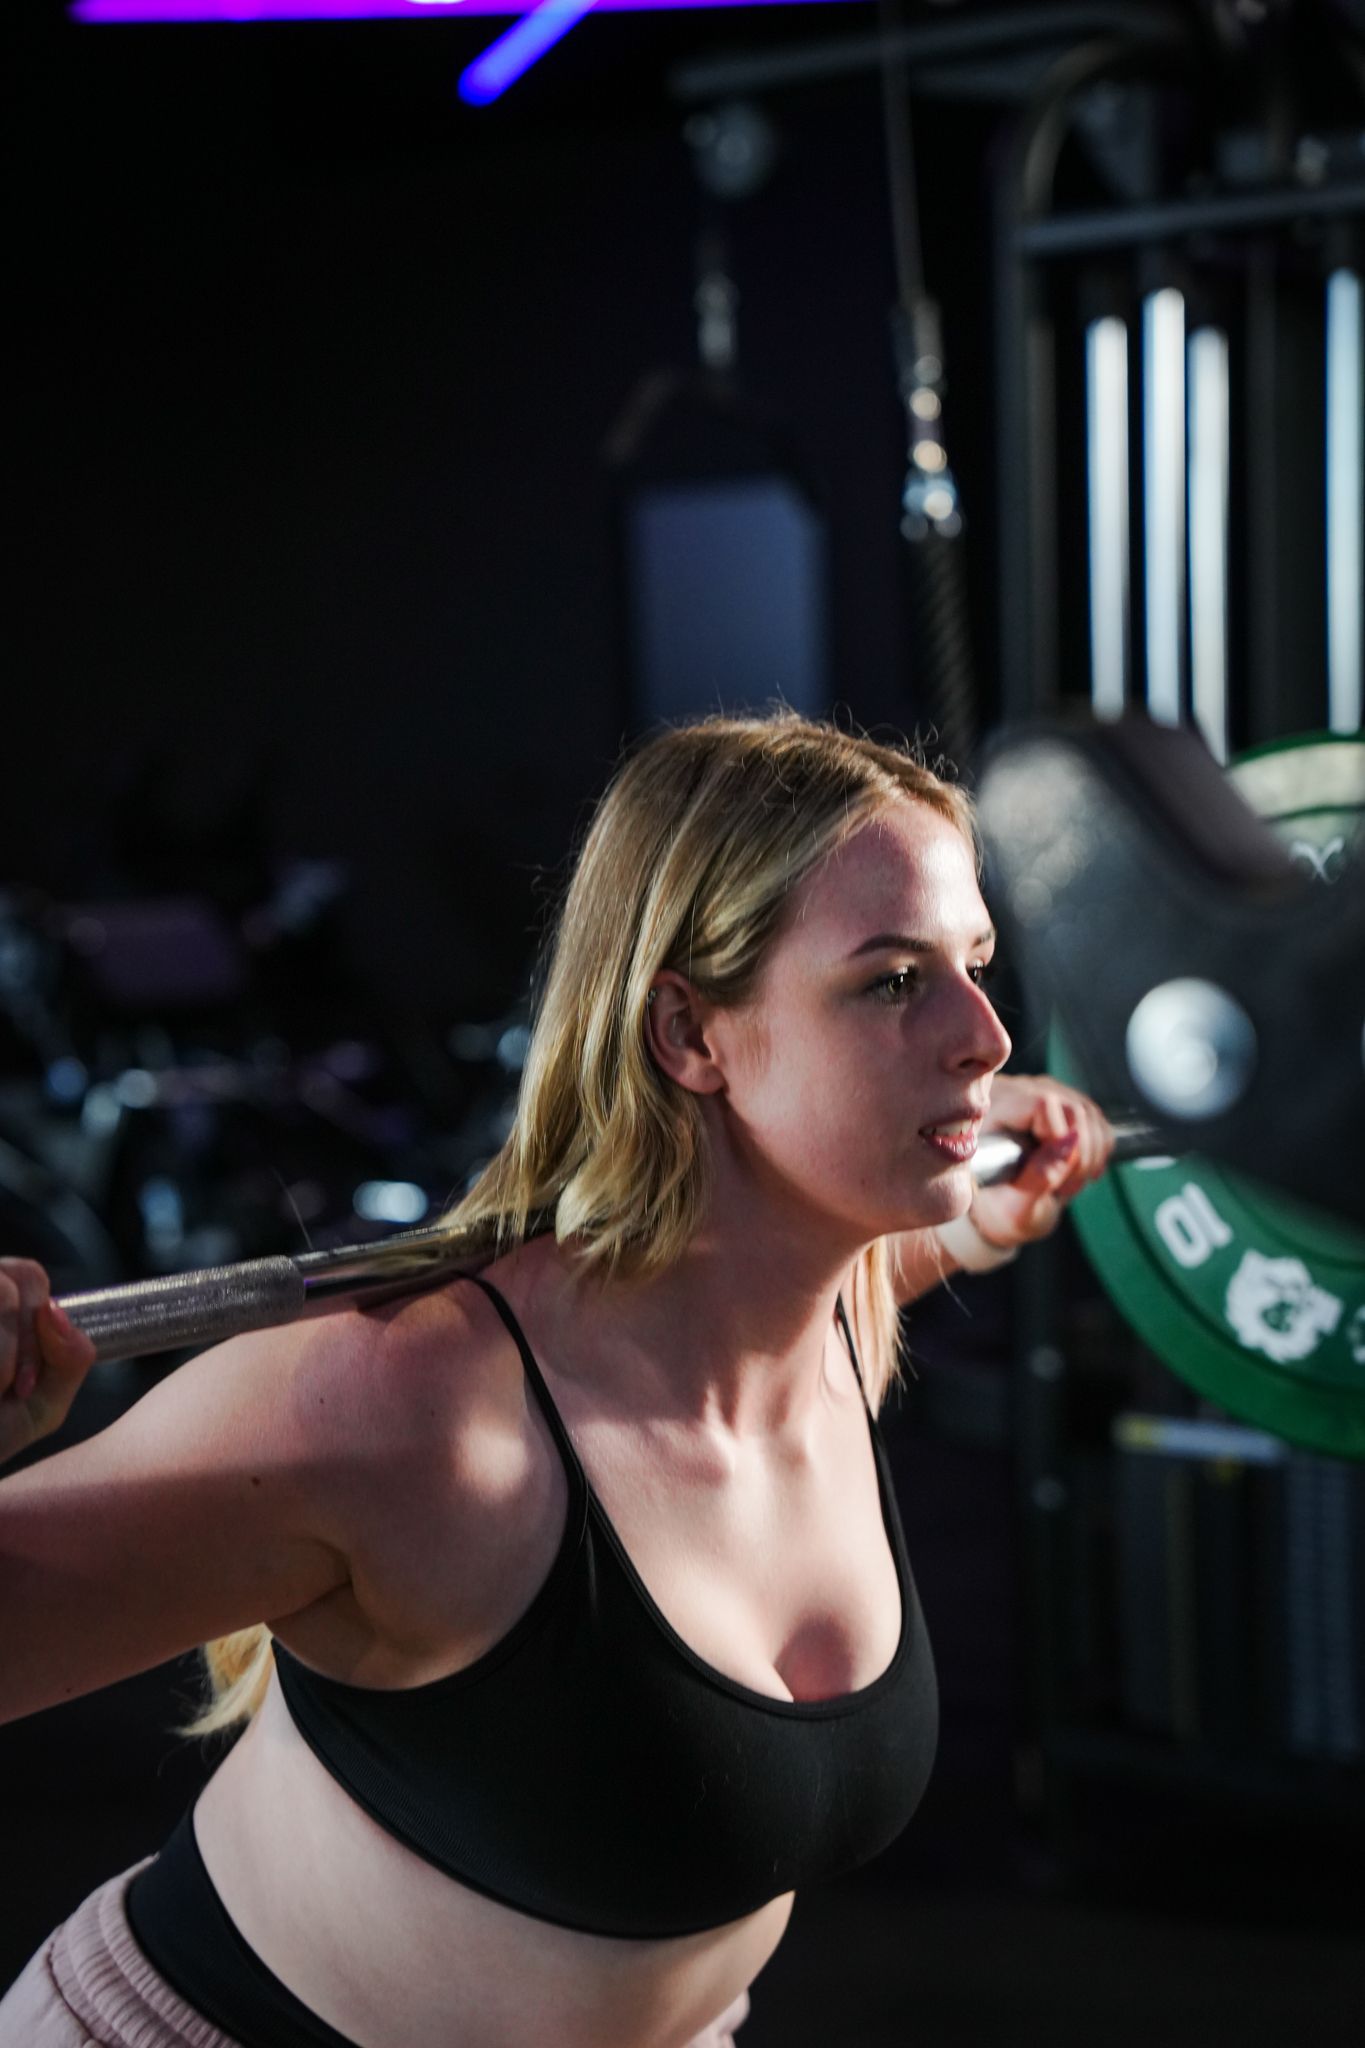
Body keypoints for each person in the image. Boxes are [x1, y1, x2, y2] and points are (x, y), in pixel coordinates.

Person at [0, 711, 1113, 2048]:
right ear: (688, 1034)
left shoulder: (810, 1326)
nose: (987, 1037)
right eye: (890, 982)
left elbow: (871, 1253)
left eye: (972, 964)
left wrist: (983, 1205)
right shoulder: (404, 1410)